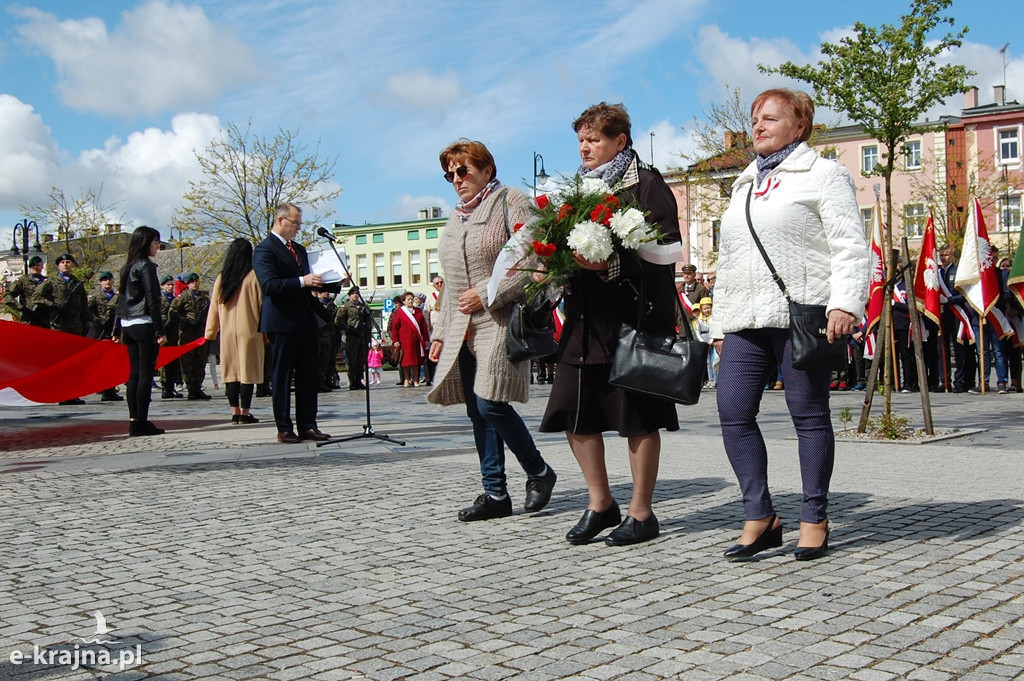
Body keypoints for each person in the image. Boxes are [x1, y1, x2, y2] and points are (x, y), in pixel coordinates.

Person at [710, 88, 868, 561]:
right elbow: (730, 257)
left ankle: (814, 517)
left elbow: (849, 245)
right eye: (755, 118)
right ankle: (760, 515)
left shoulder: (824, 174)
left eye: (770, 118)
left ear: (799, 127)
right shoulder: (743, 184)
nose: (757, 125)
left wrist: (845, 303)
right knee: (733, 412)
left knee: (809, 415)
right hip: (744, 319)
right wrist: (720, 321)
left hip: (803, 315)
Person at [539, 102, 682, 546]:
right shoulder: (577, 190)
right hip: (584, 323)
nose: (585, 147)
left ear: (620, 141)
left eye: (594, 139)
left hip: (632, 321)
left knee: (637, 417)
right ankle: (600, 504)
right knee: (572, 410)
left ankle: (642, 513)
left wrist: (610, 264)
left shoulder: (646, 184)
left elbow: (667, 249)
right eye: (580, 139)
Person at [428, 139, 557, 522]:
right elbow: (451, 284)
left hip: (500, 320)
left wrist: (487, 293)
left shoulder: (510, 201)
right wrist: (440, 332)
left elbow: (533, 260)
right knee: (476, 411)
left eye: (463, 170)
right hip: (462, 329)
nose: (456, 179)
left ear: (486, 169)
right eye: (449, 174)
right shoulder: (455, 219)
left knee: (490, 403)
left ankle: (539, 472)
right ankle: (495, 493)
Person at [252, 203, 333, 444]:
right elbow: (270, 285)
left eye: (300, 223)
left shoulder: (299, 249)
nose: (298, 228)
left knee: (309, 375)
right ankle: (284, 427)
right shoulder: (265, 250)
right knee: (282, 376)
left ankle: (308, 424)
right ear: (280, 220)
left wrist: (335, 280)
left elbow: (312, 282)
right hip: (281, 321)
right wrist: (301, 280)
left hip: (306, 319)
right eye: (295, 223)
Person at [114, 226, 168, 436]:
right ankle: (142, 422)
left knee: (134, 374)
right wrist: (160, 330)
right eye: (155, 243)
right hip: (144, 323)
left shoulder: (127, 267)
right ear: (147, 243)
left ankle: (134, 419)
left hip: (128, 324)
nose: (157, 247)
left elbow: (120, 299)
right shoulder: (145, 266)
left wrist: (117, 328)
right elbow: (153, 300)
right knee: (145, 374)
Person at [205, 238, 265, 425]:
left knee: (231, 371)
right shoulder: (254, 277)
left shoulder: (222, 278)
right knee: (248, 372)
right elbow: (263, 307)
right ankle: (246, 412)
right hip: (250, 330)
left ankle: (234, 411)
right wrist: (267, 334)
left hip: (228, 332)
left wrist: (210, 331)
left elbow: (213, 307)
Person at [32, 253, 91, 404]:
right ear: (58, 265)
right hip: (59, 326)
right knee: (60, 362)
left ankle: (72, 393)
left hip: (75, 327)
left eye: (68, 262)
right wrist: (53, 305)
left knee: (74, 362)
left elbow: (84, 306)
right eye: (63, 262)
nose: (66, 264)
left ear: (72, 265)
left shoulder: (78, 283)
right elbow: (36, 297)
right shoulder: (51, 281)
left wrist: (88, 324)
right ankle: (61, 393)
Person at [170, 272, 211, 400]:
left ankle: (198, 387)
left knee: (200, 361)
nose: (195, 283)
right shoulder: (182, 298)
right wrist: (186, 321)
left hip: (200, 334)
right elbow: (173, 313)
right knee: (187, 362)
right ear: (187, 284)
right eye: (192, 282)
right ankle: (191, 388)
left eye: (196, 281)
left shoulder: (204, 299)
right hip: (187, 334)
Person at [88, 270, 124, 402]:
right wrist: (98, 321)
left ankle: (112, 389)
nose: (107, 282)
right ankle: (104, 389)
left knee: (113, 362)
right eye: (104, 280)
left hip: (115, 331)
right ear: (100, 282)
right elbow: (88, 312)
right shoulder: (95, 297)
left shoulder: (118, 296)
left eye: (109, 279)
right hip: (100, 332)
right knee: (103, 362)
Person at [336, 286, 370, 390]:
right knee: (352, 361)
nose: (355, 295)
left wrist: (367, 333)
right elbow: (338, 321)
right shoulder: (345, 306)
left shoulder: (363, 306)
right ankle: (352, 382)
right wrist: (348, 329)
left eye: (357, 293)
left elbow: (368, 322)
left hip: (362, 337)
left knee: (361, 360)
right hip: (351, 337)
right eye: (353, 294)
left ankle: (358, 381)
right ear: (350, 295)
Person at [392, 291, 429, 386]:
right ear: (404, 301)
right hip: (404, 340)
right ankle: (406, 379)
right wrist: (395, 340)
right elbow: (395, 327)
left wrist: (426, 338)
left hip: (417, 340)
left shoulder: (418, 311)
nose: (411, 301)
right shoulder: (400, 312)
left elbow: (424, 326)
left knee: (416, 361)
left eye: (412, 299)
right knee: (406, 361)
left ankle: (416, 379)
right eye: (408, 299)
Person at [158, 275, 184, 398]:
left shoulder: (176, 300)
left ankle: (171, 386)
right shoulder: (159, 299)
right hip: (163, 334)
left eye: (172, 285)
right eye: (167, 284)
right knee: (164, 361)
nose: (170, 287)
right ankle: (165, 387)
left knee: (174, 362)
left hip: (174, 334)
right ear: (162, 286)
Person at [3, 255, 48, 327]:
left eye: (38, 265)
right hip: (28, 319)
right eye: (33, 265)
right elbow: (7, 297)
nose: (35, 267)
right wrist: (22, 308)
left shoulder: (48, 281)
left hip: (46, 320)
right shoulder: (22, 281)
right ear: (29, 267)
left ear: (42, 266)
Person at [316, 290, 340, 392]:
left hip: (330, 336)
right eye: (324, 292)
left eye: (327, 292)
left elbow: (336, 320)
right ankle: (318, 383)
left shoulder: (332, 305)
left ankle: (327, 381)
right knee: (318, 360)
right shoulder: (317, 304)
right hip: (319, 336)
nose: (326, 293)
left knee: (328, 360)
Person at [693, 297, 717, 389]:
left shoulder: (713, 319)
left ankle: (715, 380)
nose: (707, 310)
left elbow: (714, 329)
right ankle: (710, 380)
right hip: (704, 341)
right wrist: (702, 341)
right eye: (705, 308)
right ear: (701, 309)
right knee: (708, 362)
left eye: (709, 307)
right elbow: (697, 331)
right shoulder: (700, 320)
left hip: (712, 340)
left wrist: (711, 341)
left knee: (714, 361)